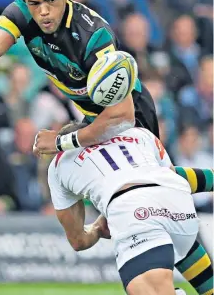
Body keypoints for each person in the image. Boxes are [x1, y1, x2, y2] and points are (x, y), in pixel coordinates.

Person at [0, 0, 213, 293]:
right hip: (91, 115)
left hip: (129, 115)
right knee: (160, 186)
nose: (44, 12)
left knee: (153, 182)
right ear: (25, 0)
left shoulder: (92, 35)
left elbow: (118, 115)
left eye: (51, 0)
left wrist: (63, 141)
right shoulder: (23, 12)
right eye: (35, 4)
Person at [48, 122, 200, 295]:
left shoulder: (59, 162)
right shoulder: (139, 133)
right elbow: (172, 174)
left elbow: (78, 240)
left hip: (134, 212)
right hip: (182, 209)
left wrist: (97, 228)